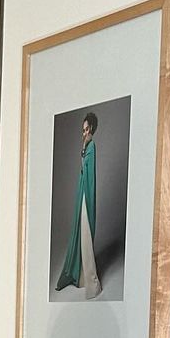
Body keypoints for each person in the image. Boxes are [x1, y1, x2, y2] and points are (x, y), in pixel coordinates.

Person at [55, 110, 102, 298]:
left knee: (86, 235)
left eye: (86, 129)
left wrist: (84, 148)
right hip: (81, 194)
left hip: (86, 196)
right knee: (81, 234)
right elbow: (82, 169)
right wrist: (83, 148)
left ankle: (92, 284)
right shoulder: (85, 146)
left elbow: (88, 172)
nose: (84, 133)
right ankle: (82, 278)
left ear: (92, 129)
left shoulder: (92, 146)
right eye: (82, 130)